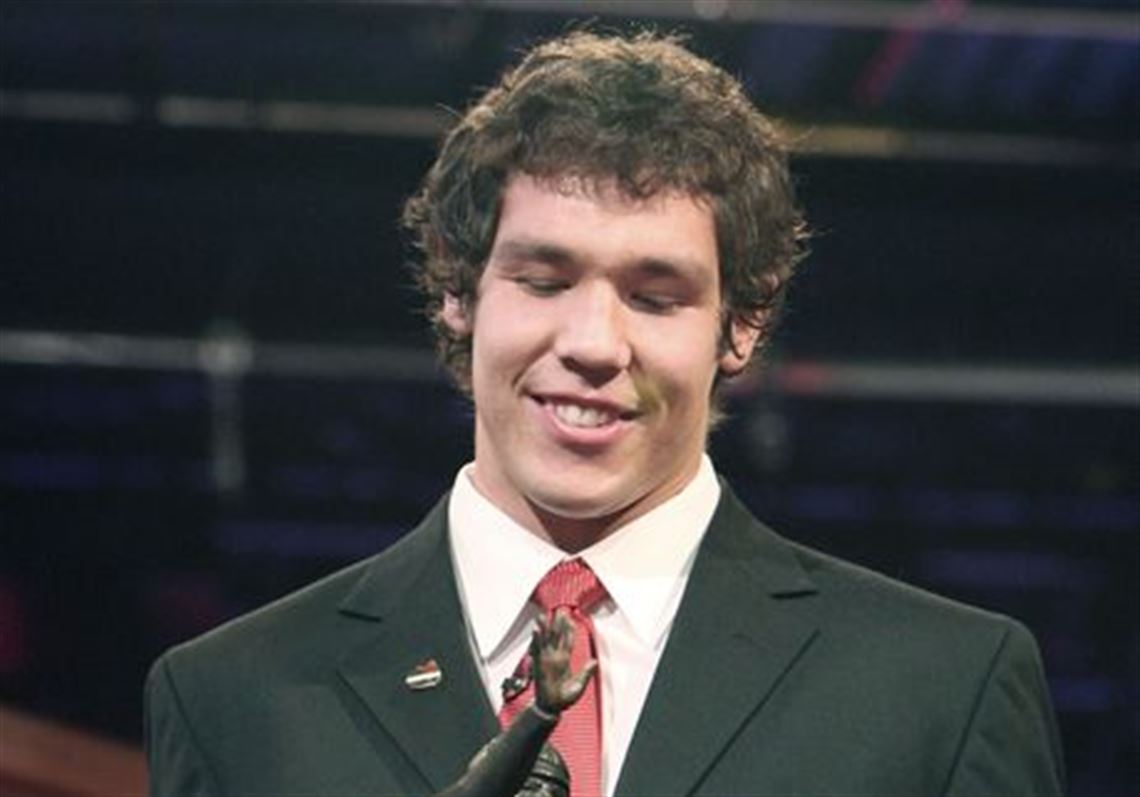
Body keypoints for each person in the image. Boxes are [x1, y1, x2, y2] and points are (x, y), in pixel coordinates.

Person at [145, 31, 1065, 796]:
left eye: (655, 295)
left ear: (741, 324)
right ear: (461, 291)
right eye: (544, 280)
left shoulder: (942, 691)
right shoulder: (233, 698)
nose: (593, 341)